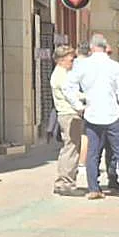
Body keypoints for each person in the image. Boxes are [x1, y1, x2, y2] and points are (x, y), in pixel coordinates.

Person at [65, 33, 119, 201]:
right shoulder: (114, 66)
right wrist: (117, 103)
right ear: (105, 47)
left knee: (93, 153)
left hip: (92, 113)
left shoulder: (82, 65)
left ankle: (94, 188)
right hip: (112, 114)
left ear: (92, 47)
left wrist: (79, 107)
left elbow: (68, 87)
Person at [51, 46, 84, 195]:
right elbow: (70, 93)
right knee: (71, 149)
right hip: (69, 114)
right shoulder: (61, 75)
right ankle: (66, 183)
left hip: (67, 114)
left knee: (69, 148)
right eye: (71, 59)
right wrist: (82, 104)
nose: (73, 62)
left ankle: (64, 181)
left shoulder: (61, 73)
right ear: (62, 59)